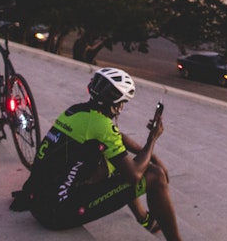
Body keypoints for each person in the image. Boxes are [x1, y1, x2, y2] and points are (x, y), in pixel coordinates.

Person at [11, 67, 182, 239]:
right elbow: (134, 175)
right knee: (156, 175)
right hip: (57, 214)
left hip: (40, 202)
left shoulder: (76, 111)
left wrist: (149, 154)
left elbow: (116, 137)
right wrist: (152, 139)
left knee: (115, 161)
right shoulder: (101, 126)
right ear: (118, 104)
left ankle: (144, 218)